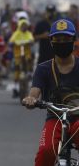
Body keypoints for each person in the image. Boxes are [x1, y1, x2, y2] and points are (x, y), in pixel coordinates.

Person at [23, 19, 79, 166]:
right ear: (51, 42)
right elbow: (34, 92)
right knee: (46, 151)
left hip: (78, 119)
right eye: (58, 39)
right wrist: (31, 99)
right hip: (55, 119)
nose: (62, 42)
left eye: (66, 39)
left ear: (74, 40)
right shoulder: (43, 69)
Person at [9, 19, 34, 98]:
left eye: (25, 26)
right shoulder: (16, 33)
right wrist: (12, 43)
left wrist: (30, 41)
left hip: (26, 54)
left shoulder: (28, 33)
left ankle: (30, 71)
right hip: (18, 55)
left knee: (29, 59)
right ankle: (15, 88)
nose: (24, 27)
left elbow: (31, 39)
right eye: (22, 26)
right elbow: (11, 40)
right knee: (17, 70)